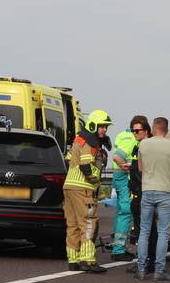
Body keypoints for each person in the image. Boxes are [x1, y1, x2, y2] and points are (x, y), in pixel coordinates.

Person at [63, 109, 112, 273]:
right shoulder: (90, 143)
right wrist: (95, 179)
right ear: (93, 125)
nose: (104, 130)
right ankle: (88, 260)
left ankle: (73, 260)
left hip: (69, 187)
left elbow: (69, 158)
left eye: (106, 127)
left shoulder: (79, 139)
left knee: (73, 225)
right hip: (83, 188)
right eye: (102, 126)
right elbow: (86, 166)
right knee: (89, 223)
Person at [135, 117, 170, 282]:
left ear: (153, 128)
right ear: (166, 130)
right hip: (165, 191)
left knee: (144, 231)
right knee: (163, 232)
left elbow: (140, 168)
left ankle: (141, 269)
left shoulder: (143, 144)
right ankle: (159, 270)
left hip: (147, 190)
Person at [110, 115, 149, 262]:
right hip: (123, 177)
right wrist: (130, 170)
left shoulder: (123, 134)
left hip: (119, 177)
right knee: (126, 212)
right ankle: (119, 249)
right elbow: (117, 156)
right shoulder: (131, 138)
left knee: (122, 212)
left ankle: (118, 247)